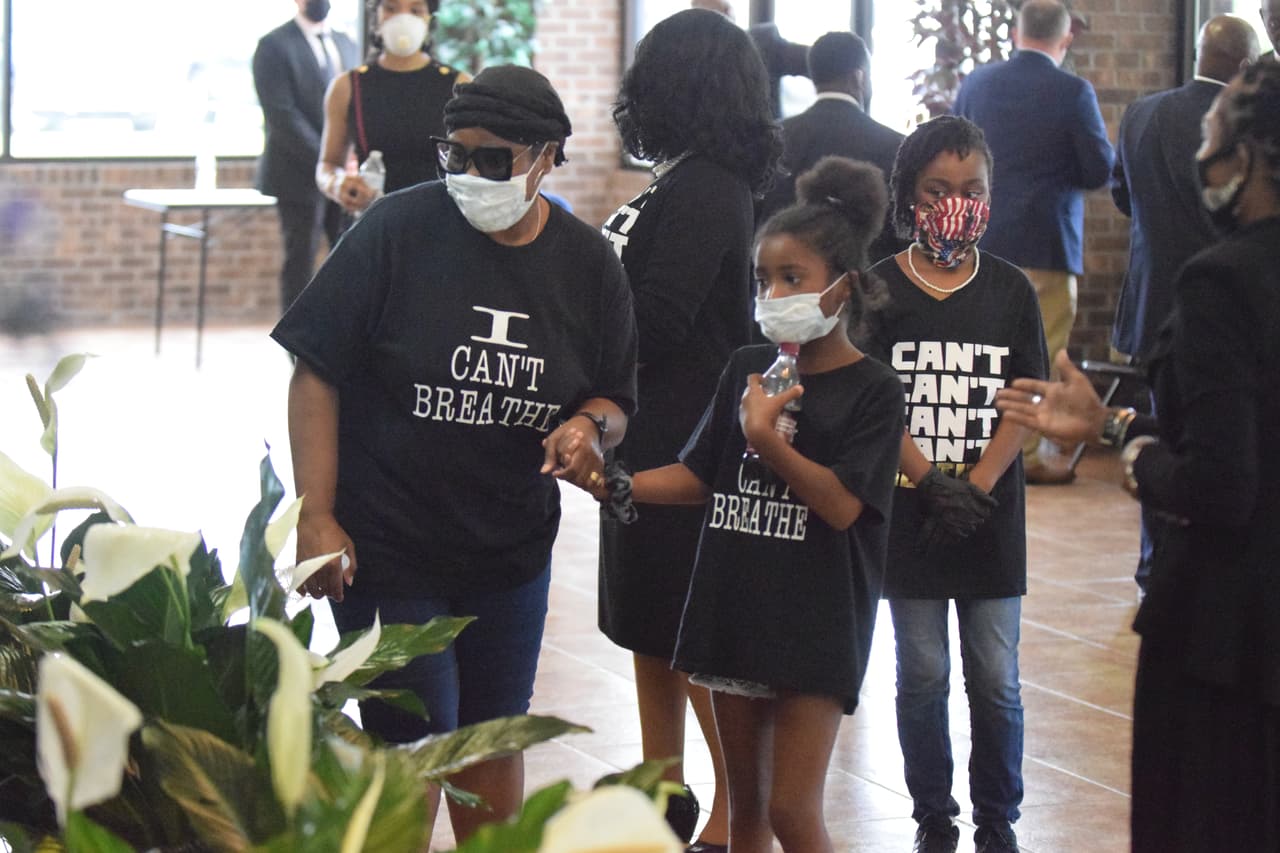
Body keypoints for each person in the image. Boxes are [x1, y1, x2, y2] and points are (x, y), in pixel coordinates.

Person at [271, 65, 638, 844]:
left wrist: (587, 429)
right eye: (456, 154)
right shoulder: (397, 230)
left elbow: (613, 399)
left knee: (492, 737)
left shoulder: (588, 265)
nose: (471, 175)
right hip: (389, 544)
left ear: (545, 158)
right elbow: (315, 370)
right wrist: (318, 513)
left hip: (508, 550)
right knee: (416, 742)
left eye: (494, 159)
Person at [996, 61, 1280, 853]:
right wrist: (1116, 422)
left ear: (1250, 157)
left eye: (1214, 137)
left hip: (1230, 638)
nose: (1203, 155)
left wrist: (1132, 449)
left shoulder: (1224, 282)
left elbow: (1222, 483)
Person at [597, 156, 903, 853]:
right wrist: (615, 482)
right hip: (733, 612)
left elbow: (843, 507)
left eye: (792, 278)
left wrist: (768, 439)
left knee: (795, 810)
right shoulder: (745, 367)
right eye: (763, 279)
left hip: (816, 625)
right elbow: (699, 475)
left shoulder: (875, 391)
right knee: (748, 818)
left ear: (843, 288)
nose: (773, 294)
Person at [598, 8, 782, 850]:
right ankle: (659, 785)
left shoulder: (710, 186)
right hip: (644, 432)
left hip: (684, 436)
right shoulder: (680, 178)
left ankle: (739, 813)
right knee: (647, 622)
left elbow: (661, 319)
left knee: (688, 631)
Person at [861, 116, 1048, 853]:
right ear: (908, 196)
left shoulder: (1010, 290)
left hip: (991, 515)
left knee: (996, 674)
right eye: (938, 189)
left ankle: (998, 818)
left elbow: (1025, 402)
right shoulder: (877, 291)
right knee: (923, 673)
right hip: (910, 514)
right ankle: (933, 813)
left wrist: (976, 485)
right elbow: (875, 406)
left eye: (972, 190)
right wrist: (931, 480)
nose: (955, 202)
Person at [1108, 13, 1258, 594]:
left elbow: (1122, 197)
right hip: (1222, 309)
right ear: (1243, 66)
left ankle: (1154, 563)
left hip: (1152, 303)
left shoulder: (1142, 112)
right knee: (1217, 439)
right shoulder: (1243, 125)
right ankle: (1201, 565)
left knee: (1159, 430)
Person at [953, 0, 1113, 485]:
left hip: (980, 239)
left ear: (1015, 33)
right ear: (1064, 40)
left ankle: (965, 446)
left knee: (976, 346)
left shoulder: (976, 83)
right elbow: (1098, 169)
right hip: (1046, 240)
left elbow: (951, 149)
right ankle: (1022, 457)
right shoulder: (1073, 91)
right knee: (1038, 351)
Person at [757, 30, 905, 264]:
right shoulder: (896, 145)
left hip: (786, 284)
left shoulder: (773, 137)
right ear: (859, 78)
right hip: (867, 287)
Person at [253, 0, 360, 313]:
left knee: (348, 255)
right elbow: (282, 115)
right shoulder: (274, 45)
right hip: (296, 174)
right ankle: (296, 348)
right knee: (300, 260)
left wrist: (350, 157)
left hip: (345, 177)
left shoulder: (346, 43)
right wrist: (329, 158)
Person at [315, 0, 468, 217]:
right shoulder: (348, 86)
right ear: (375, 17)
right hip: (372, 221)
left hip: (439, 222)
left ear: (429, 19)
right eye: (391, 8)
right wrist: (336, 183)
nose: (403, 18)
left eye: (415, 10)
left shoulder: (458, 85)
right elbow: (327, 165)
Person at [687, 0, 809, 118]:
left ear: (729, 13)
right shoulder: (687, 60)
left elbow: (818, 58)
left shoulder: (764, 43)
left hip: (763, 134)